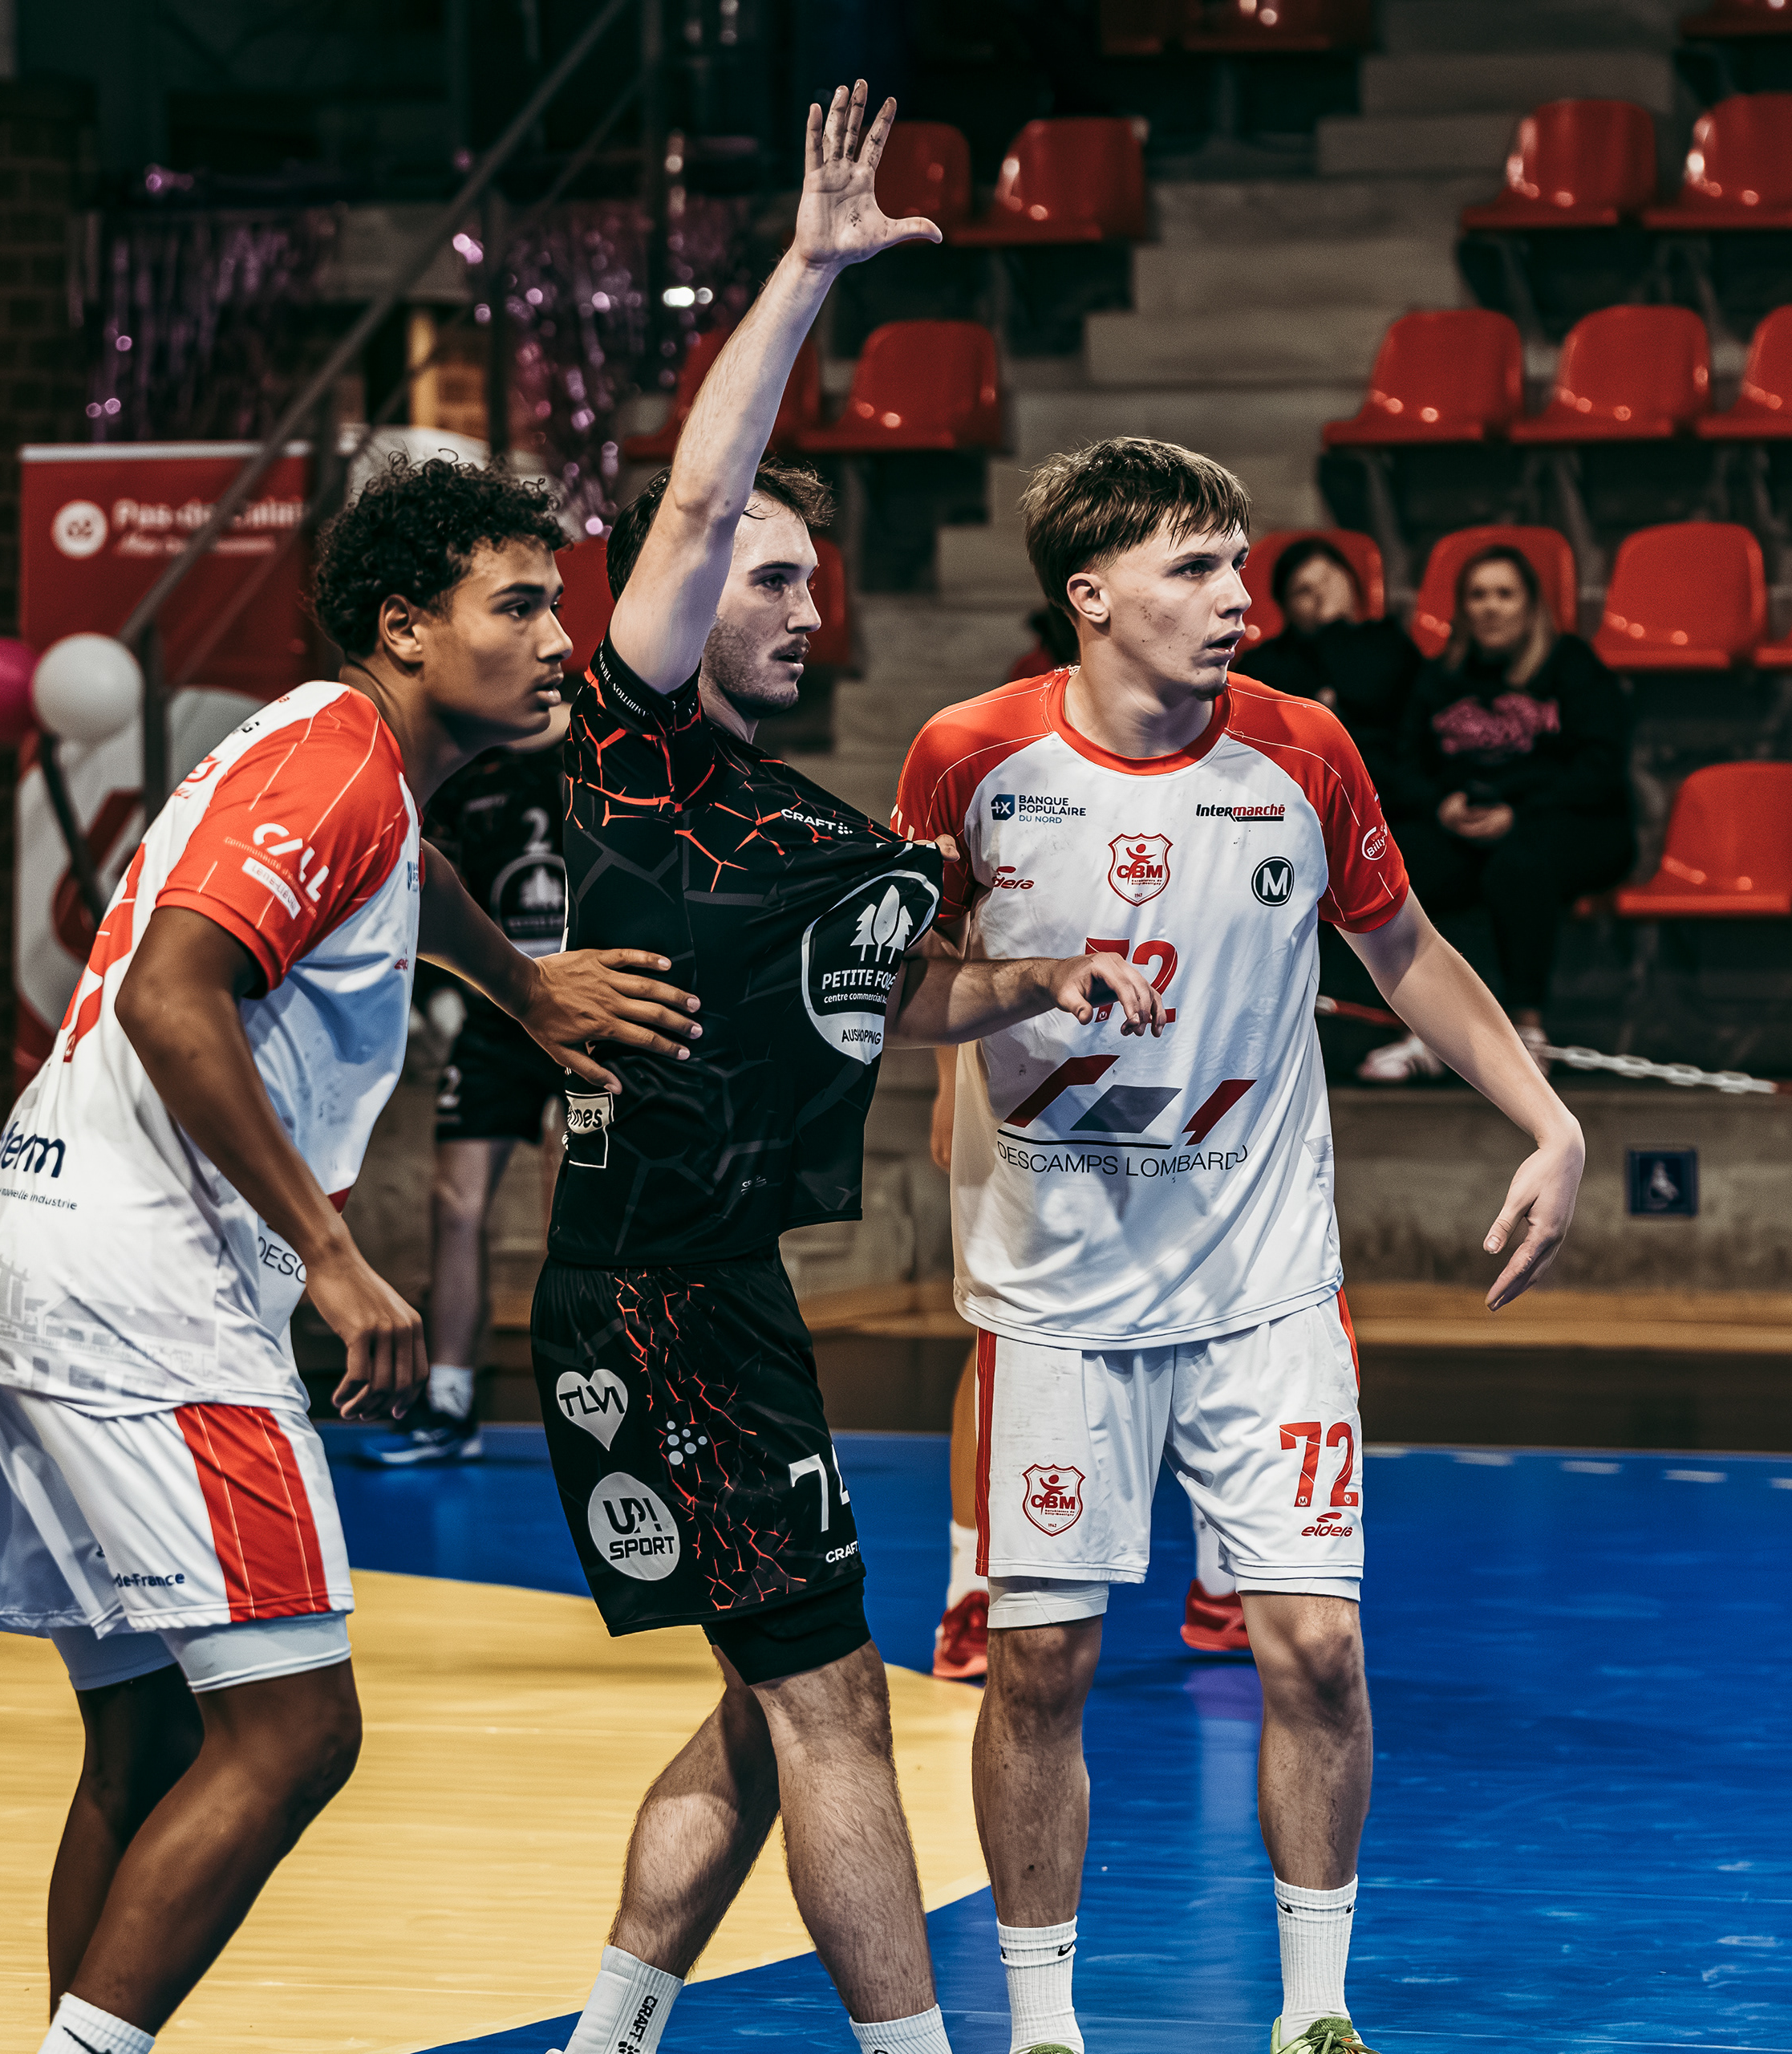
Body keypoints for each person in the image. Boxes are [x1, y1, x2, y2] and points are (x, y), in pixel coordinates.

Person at [0, 457, 704, 2054]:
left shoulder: (333, 749)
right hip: (141, 1296)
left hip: (26, 1260)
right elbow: (172, 993)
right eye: (519, 607)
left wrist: (523, 986)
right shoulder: (343, 766)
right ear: (406, 627)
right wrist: (332, 1253)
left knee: (149, 1742)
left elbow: (399, 871)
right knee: (296, 1729)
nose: (560, 639)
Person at [535, 84, 1160, 2054]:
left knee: (764, 1696)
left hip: (705, 1283)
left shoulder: (784, 819)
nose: (810, 608)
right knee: (836, 1707)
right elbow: (697, 497)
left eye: (816, 581)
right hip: (662, 1288)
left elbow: (895, 1000)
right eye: (774, 578)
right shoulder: (637, 752)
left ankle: (609, 2030)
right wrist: (806, 272)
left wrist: (1038, 980)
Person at [893, 434, 1587, 2054]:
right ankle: (1044, 2023)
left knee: (1320, 1647)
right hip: (1054, 1298)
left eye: (1239, 561)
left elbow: (1405, 950)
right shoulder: (965, 756)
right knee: (1041, 1666)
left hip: (1264, 1288)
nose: (1239, 598)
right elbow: (898, 991)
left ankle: (1316, 2011)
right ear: (1090, 595)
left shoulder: (1307, 750)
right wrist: (1018, 989)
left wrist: (1548, 1123)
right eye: (1197, 567)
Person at [926, 1057, 1255, 1688]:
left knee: (1214, 1289)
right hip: (1049, 1090)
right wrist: (948, 1082)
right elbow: (941, 985)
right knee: (1014, 1314)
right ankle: (971, 1589)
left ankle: (1225, 1582)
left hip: (1200, 1080)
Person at [360, 721, 574, 1465]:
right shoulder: (464, 765)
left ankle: (597, 1396)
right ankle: (449, 1399)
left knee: (573, 1210)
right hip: (496, 1011)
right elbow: (427, 889)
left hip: (583, 1008)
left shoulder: (608, 741)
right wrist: (431, 998)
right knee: (454, 1203)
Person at [1360, 543, 1632, 1083]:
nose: (1490, 607)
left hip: (1569, 820)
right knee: (1402, 867)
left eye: (1505, 594)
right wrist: (1441, 805)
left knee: (1519, 865)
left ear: (1531, 604)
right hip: (1467, 820)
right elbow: (1404, 764)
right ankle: (1428, 1031)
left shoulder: (1571, 666)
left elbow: (1600, 767)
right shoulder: (1440, 676)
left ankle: (1527, 1032)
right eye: (1478, 595)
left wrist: (1518, 810)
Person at [1237, 534, 1423, 789]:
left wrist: (1334, 629)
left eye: (1327, 579)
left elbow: (1366, 694)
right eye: (1303, 590)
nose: (1321, 594)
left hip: (1390, 788)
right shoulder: (1263, 665)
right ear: (1285, 606)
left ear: (1350, 579)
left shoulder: (1388, 642)